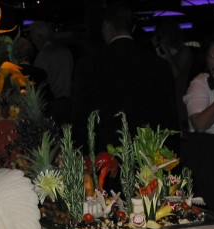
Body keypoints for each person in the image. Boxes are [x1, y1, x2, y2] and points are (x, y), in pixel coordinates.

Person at [71, 1, 178, 151]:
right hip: (147, 156)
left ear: (106, 27)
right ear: (133, 28)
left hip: (104, 157)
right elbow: (168, 119)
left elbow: (80, 118)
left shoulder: (89, 66)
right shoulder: (158, 65)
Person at [152, 19, 193, 131]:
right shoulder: (159, 53)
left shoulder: (184, 51)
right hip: (163, 99)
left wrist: (167, 53)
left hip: (178, 98)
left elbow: (176, 74)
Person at [29, 20, 72, 124]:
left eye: (32, 36)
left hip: (52, 106)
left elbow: (38, 85)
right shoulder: (66, 51)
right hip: (69, 104)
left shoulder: (43, 55)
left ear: (39, 36)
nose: (32, 41)